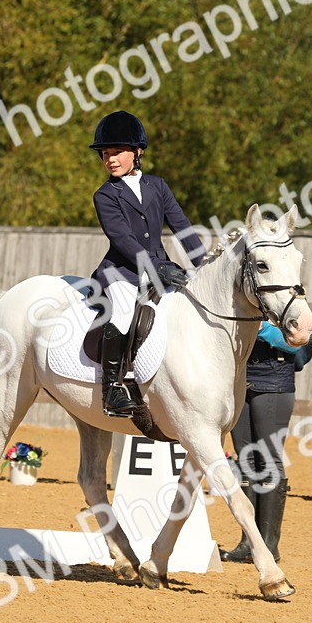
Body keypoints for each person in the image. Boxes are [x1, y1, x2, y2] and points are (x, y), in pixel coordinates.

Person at [88, 110, 205, 417]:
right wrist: (155, 265)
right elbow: (122, 238)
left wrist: (202, 262)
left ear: (137, 152)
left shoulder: (158, 186)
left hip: (159, 266)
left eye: (117, 153)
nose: (110, 159)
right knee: (125, 312)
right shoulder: (105, 195)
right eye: (105, 154)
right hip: (121, 272)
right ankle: (111, 389)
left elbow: (181, 224)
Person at [220, 321, 312, 562]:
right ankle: (249, 542)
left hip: (274, 382)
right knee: (246, 460)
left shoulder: (288, 305)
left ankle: (270, 545)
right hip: (240, 380)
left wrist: (263, 329)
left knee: (269, 459)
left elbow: (300, 344)